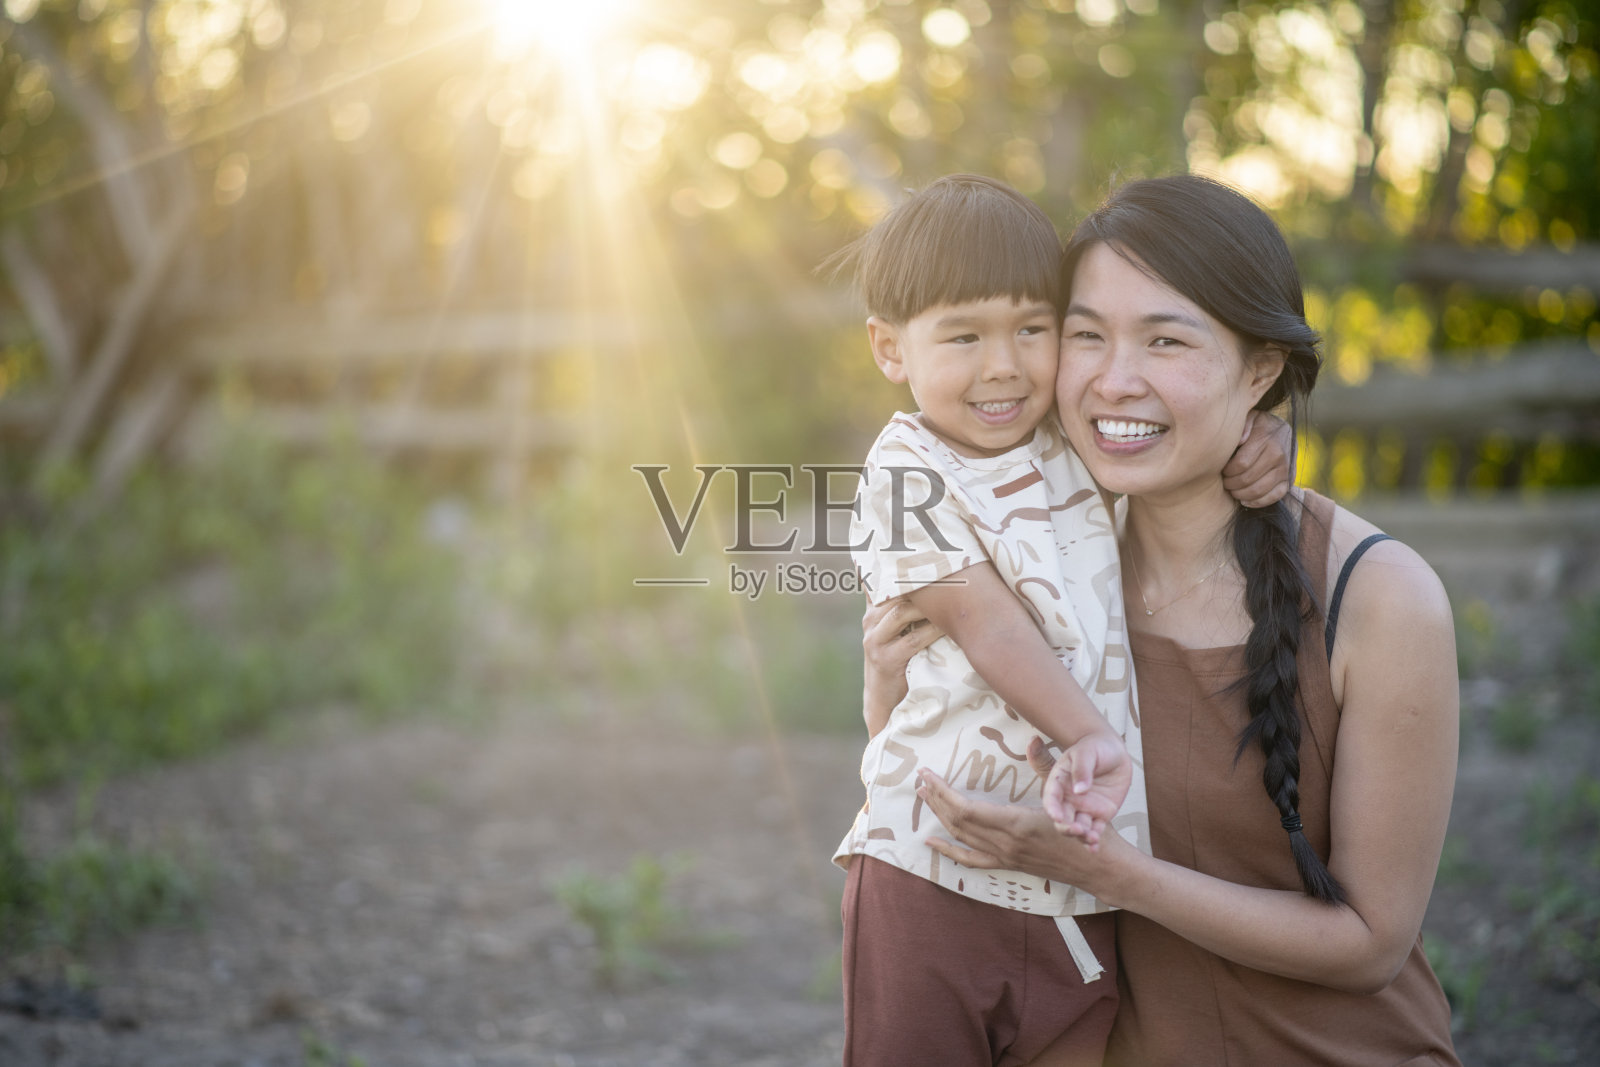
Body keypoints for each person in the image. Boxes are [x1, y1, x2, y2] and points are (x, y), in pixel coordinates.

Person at [865, 174, 1461, 1066]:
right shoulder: (1049, 555)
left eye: (1165, 340)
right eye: (1083, 335)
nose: (1114, 380)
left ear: (1259, 367)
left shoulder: (1378, 597)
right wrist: (885, 682)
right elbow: (932, 781)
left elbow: (1371, 943)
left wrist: (1112, 874)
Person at [829, 174, 1294, 1067]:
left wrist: (1261, 434)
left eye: (1032, 329)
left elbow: (1176, 436)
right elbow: (986, 621)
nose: (1003, 364)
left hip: (1075, 882)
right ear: (890, 348)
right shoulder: (905, 473)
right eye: (963, 336)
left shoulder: (1070, 443)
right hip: (932, 867)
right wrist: (1091, 738)